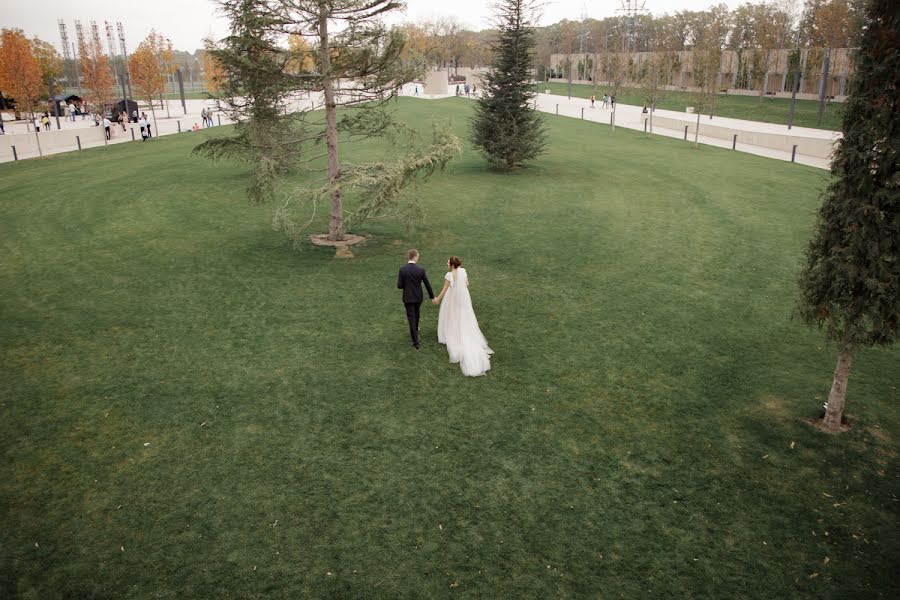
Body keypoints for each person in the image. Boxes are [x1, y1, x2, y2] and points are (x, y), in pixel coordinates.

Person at [432, 256, 492, 377]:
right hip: (462, 299)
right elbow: (467, 284)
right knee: (463, 315)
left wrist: (437, 299)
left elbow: (445, 289)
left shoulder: (449, 275)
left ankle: (451, 332)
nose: (447, 262)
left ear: (452, 264)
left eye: (448, 261)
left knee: (451, 315)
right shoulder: (463, 271)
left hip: (452, 298)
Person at [397, 249, 435, 350]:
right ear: (415, 257)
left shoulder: (402, 269)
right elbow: (427, 284)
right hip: (418, 297)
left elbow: (399, 286)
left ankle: (415, 342)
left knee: (411, 318)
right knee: (417, 312)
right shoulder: (421, 270)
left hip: (408, 298)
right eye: (418, 256)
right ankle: (416, 330)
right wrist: (432, 296)